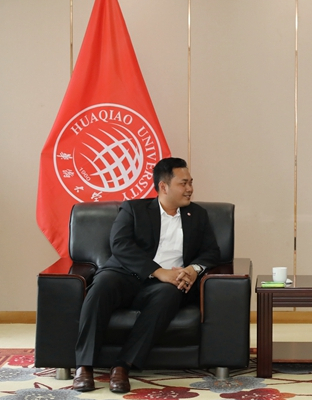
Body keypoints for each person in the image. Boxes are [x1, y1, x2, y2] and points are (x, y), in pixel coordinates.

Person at [72, 157, 220, 393]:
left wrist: (193, 269)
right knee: (101, 286)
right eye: (183, 183)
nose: (190, 189)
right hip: (124, 275)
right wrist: (157, 271)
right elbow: (120, 244)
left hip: (166, 285)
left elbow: (212, 251)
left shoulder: (197, 215)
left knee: (170, 294)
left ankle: (123, 366)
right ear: (164, 186)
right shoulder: (134, 209)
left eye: (191, 182)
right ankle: (84, 366)